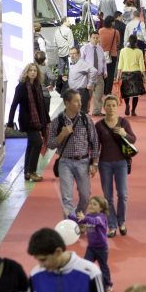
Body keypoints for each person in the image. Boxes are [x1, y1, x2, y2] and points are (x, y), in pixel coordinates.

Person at [47, 89, 100, 218]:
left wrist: (95, 163)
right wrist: (62, 135)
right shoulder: (57, 121)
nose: (80, 104)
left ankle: (78, 215)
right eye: (76, 101)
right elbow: (50, 144)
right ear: (67, 103)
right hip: (65, 162)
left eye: (80, 100)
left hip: (83, 162)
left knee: (85, 196)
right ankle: (70, 224)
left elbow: (94, 141)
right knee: (67, 198)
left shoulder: (86, 119)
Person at [94, 94, 135, 236]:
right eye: (108, 105)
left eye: (113, 105)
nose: (111, 108)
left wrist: (124, 134)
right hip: (104, 164)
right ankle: (112, 225)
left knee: (123, 194)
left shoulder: (123, 123)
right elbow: (96, 146)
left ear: (117, 107)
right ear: (104, 107)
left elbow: (133, 139)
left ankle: (121, 222)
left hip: (121, 163)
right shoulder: (99, 125)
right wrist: (94, 162)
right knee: (108, 197)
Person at [8, 62, 51, 182]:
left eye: (34, 70)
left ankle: (27, 172)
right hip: (27, 121)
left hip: (38, 121)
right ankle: (32, 172)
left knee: (31, 145)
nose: (32, 72)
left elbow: (41, 104)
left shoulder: (37, 86)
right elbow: (14, 105)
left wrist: (47, 119)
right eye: (30, 70)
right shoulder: (21, 87)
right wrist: (10, 122)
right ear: (26, 72)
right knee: (37, 143)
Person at [77, 196, 113, 292]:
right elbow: (79, 219)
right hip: (91, 248)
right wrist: (69, 215)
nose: (91, 206)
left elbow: (96, 221)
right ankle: (85, 283)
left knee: (103, 266)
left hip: (101, 248)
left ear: (101, 208)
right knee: (86, 264)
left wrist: (85, 218)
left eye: (95, 204)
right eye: (90, 203)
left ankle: (108, 284)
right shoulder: (88, 215)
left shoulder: (102, 217)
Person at [116, 34, 146, 116]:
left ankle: (127, 105)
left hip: (125, 74)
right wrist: (145, 77)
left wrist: (118, 76)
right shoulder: (139, 51)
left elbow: (120, 64)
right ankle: (133, 110)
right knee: (135, 94)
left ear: (128, 41)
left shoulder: (123, 51)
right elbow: (142, 66)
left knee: (126, 93)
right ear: (136, 42)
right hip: (136, 74)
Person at [67, 45, 100, 116]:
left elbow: (94, 71)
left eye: (74, 53)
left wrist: (90, 83)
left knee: (81, 115)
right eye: (70, 54)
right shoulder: (73, 63)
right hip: (74, 93)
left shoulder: (82, 63)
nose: (72, 56)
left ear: (79, 54)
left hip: (81, 93)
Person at [80, 32, 108, 115]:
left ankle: (97, 111)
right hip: (89, 76)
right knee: (87, 96)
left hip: (99, 75)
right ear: (90, 38)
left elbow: (103, 61)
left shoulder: (100, 49)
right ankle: (85, 112)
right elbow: (81, 61)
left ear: (99, 38)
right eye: (94, 38)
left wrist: (105, 71)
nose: (95, 39)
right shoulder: (84, 48)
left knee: (99, 95)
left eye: (97, 38)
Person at [99, 16, 121, 95]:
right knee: (111, 73)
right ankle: (108, 91)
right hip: (112, 54)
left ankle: (103, 89)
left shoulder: (100, 31)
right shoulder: (116, 32)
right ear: (111, 22)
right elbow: (118, 42)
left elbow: (98, 42)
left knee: (103, 72)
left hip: (102, 54)